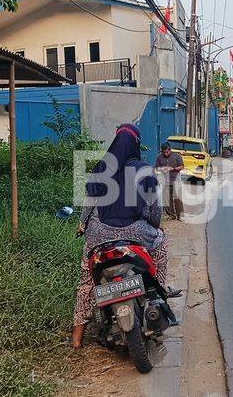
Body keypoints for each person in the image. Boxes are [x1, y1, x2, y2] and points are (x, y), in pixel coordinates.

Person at [72, 123, 180, 349]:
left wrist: (83, 225)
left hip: (98, 236)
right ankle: (158, 293)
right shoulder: (143, 170)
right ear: (136, 145)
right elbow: (155, 209)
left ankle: (76, 339)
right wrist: (155, 227)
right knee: (160, 247)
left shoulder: (100, 169)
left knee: (86, 282)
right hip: (136, 233)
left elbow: (88, 206)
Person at [155, 142, 185, 221]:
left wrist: (173, 169)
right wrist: (163, 169)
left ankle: (180, 215)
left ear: (170, 150)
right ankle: (171, 215)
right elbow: (157, 168)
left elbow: (182, 166)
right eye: (164, 152)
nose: (166, 153)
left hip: (176, 179)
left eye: (167, 152)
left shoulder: (176, 156)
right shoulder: (159, 158)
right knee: (167, 199)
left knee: (177, 198)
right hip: (165, 180)